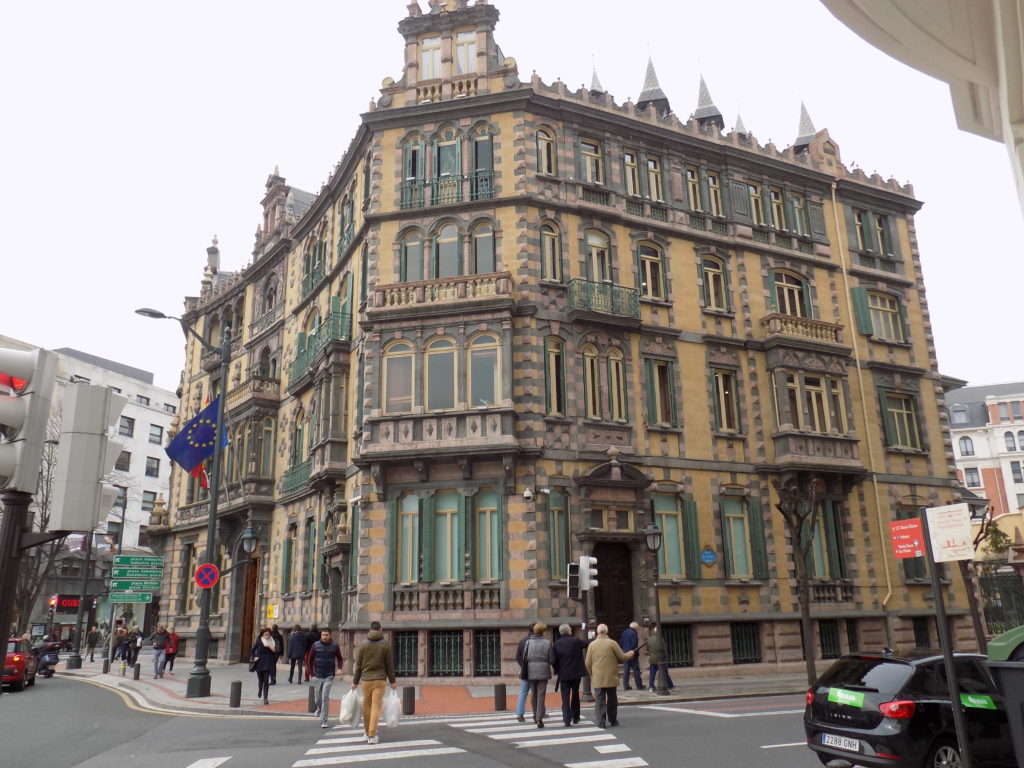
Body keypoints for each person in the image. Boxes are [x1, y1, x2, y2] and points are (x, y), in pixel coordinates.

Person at [352, 620, 396, 744]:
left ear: (370, 630)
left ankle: (366, 733)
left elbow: (358, 666)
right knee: (376, 706)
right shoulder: (385, 644)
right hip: (380, 680)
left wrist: (355, 682)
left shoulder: (363, 644)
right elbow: (389, 665)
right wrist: (392, 681)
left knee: (367, 706)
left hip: (365, 680)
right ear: (380, 629)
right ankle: (372, 735)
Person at [585, 623, 634, 728]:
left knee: (599, 699)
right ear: (607, 632)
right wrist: (631, 653)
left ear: (597, 632)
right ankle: (612, 720)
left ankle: (601, 721)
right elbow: (622, 657)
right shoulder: (612, 643)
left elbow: (587, 663)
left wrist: (592, 674)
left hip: (598, 677)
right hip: (611, 676)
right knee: (612, 699)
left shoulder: (592, 645)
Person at [305, 628, 345, 728]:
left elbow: (340, 658)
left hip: (329, 675)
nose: (324, 637)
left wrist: (339, 668)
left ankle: (324, 720)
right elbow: (309, 661)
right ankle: (318, 707)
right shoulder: (315, 645)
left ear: (330, 635)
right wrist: (312, 674)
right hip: (318, 675)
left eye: (326, 635)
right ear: (321, 636)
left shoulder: (334, 646)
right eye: (323, 635)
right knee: (318, 698)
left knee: (325, 697)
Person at [552, 623, 588, 727]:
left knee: (565, 696)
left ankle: (566, 719)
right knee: (575, 694)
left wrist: (557, 669)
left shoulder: (556, 644)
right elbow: (586, 643)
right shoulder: (575, 641)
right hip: (576, 673)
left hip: (563, 674)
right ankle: (576, 717)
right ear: (569, 631)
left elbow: (554, 660)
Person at [521, 622, 555, 728]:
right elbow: (551, 659)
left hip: (531, 670)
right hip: (543, 670)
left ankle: (535, 714)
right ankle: (539, 718)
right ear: (543, 631)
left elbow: (524, 657)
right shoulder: (547, 643)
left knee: (533, 693)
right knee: (541, 695)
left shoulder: (528, 642)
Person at [249, 627, 278, 705]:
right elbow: (252, 650)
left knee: (266, 680)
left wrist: (269, 646)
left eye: (268, 634)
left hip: (268, 663)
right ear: (262, 635)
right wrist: (254, 656)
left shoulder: (272, 642)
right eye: (265, 634)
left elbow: (275, 651)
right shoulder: (259, 641)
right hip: (260, 662)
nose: (267, 636)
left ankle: (265, 698)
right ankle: (260, 689)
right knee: (260, 680)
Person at [513, 625, 533, 723]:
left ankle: (520, 714)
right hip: (535, 672)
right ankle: (540, 712)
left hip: (525, 671)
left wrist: (523, 666)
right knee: (537, 692)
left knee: (523, 692)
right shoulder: (537, 641)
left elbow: (518, 656)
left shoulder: (522, 641)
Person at [646, 625, 675, 691]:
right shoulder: (661, 639)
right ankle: (670, 685)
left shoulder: (649, 639)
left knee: (652, 674)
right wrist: (665, 657)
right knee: (665, 673)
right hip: (660, 659)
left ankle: (651, 686)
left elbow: (647, 649)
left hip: (652, 659)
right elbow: (663, 649)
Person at [620, 621, 642, 690]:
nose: (638, 629)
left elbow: (621, 643)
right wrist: (633, 652)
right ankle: (639, 685)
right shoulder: (634, 633)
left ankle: (626, 685)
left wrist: (624, 651)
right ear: (635, 627)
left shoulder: (624, 632)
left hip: (625, 654)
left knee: (626, 670)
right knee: (636, 670)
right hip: (633, 655)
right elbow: (634, 645)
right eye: (637, 627)